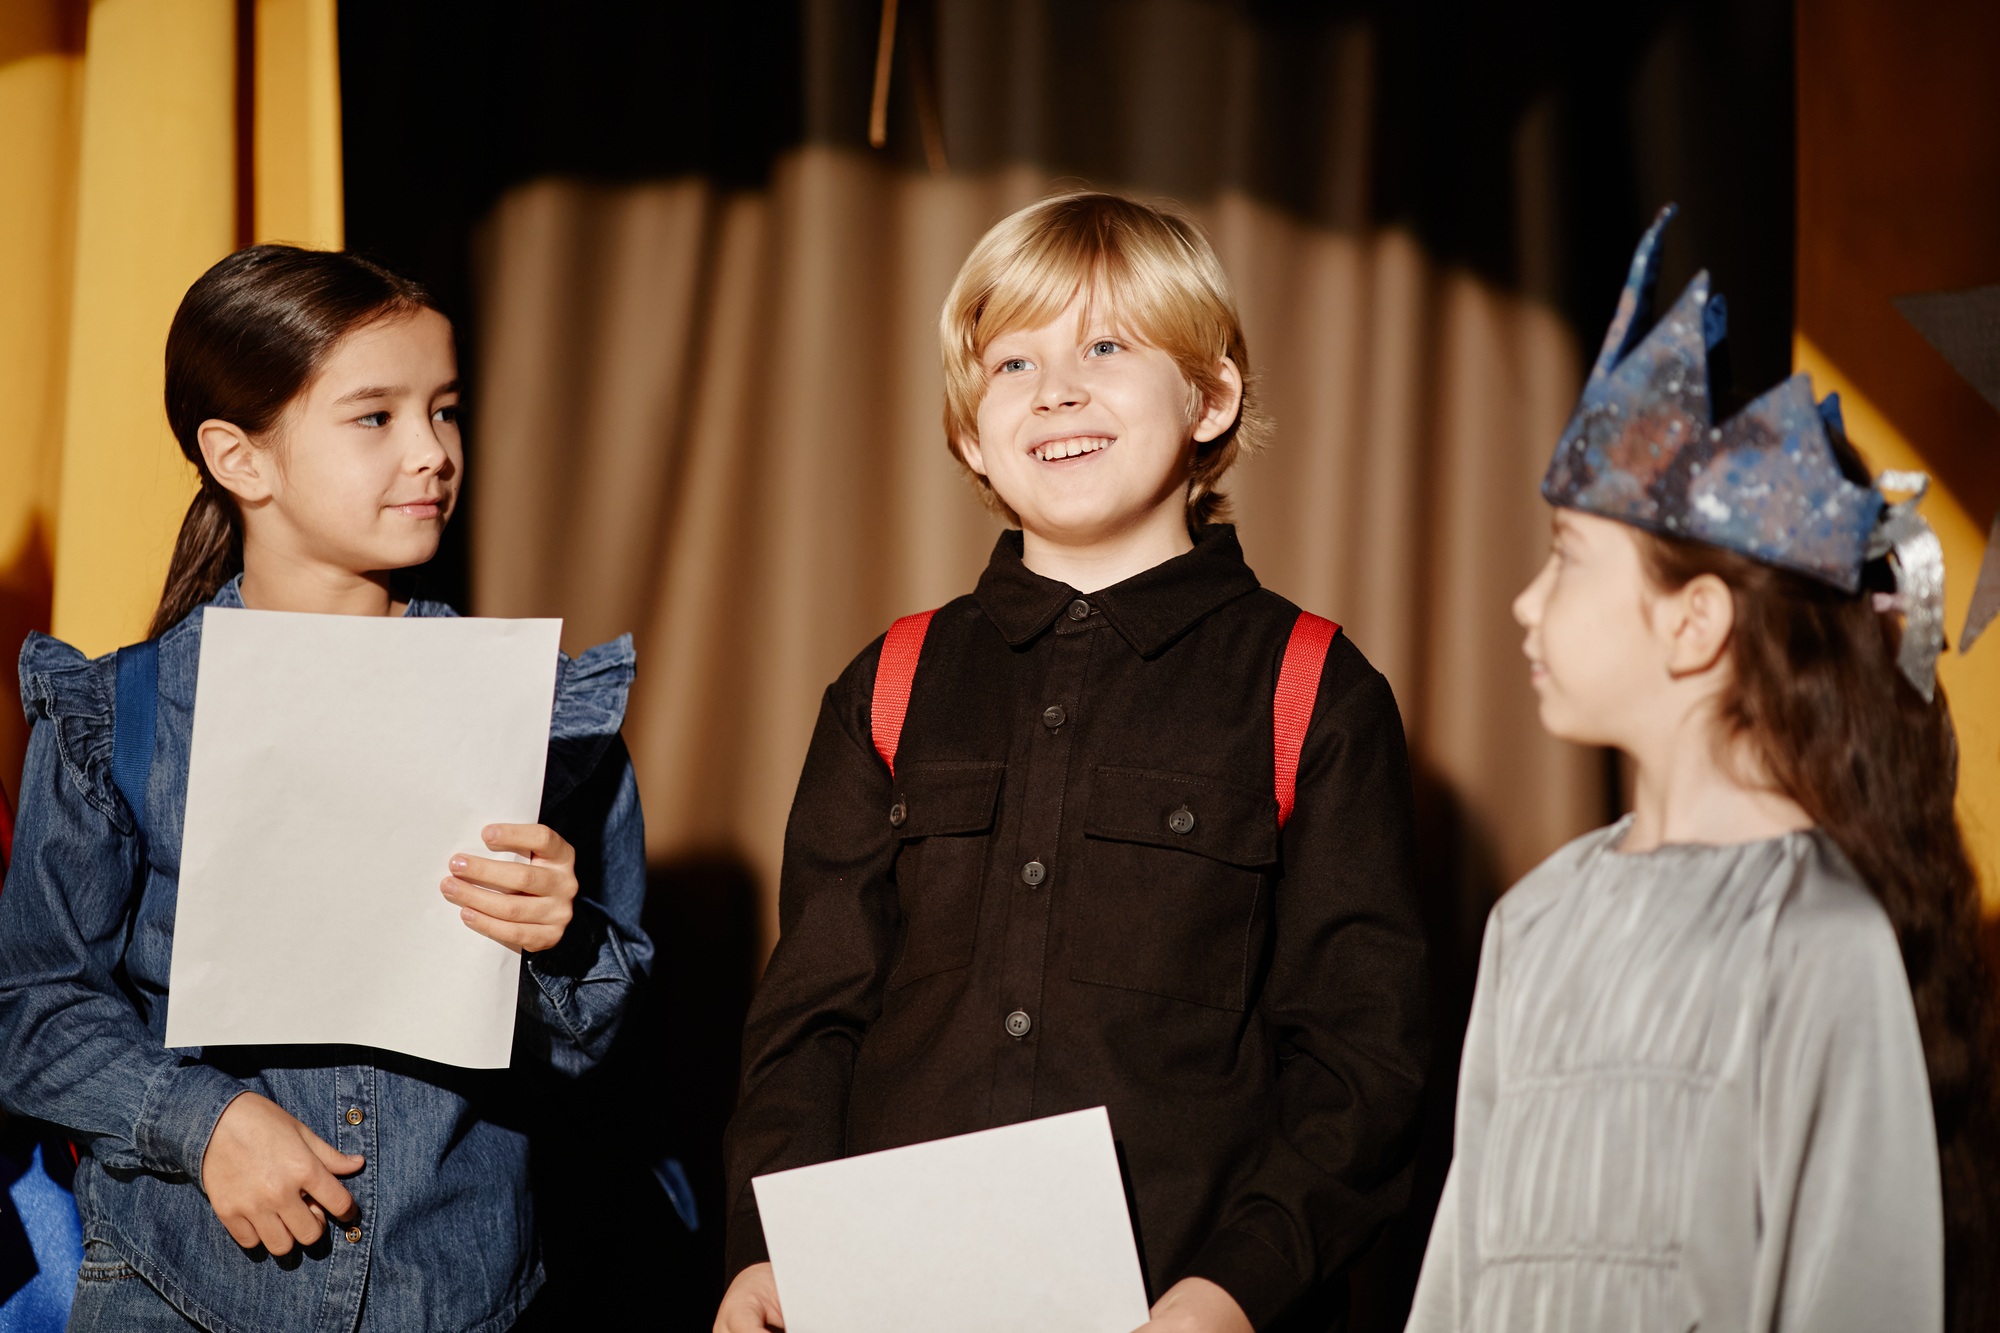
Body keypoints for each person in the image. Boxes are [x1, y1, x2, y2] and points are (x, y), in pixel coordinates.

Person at [714, 192, 1430, 1333]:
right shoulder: (886, 683)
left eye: (1105, 347)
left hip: (1180, 1308)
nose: (1055, 389)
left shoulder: (1314, 689)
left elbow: (1362, 1058)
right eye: (1012, 363)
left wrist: (1235, 1288)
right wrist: (768, 1247)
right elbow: (809, 1026)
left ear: (1210, 398)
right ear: (968, 433)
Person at [0, 246, 651, 1333]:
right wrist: (202, 1122)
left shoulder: (538, 713)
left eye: (445, 410)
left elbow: (592, 1046)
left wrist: (561, 942)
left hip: (463, 1301)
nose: (431, 451)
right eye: (375, 416)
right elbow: (33, 1010)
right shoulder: (117, 715)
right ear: (238, 456)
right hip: (177, 1295)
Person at [1406, 207, 1998, 1332]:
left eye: (1565, 559)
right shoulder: (1531, 923)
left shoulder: (1815, 940)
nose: (1525, 603)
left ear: (1694, 622)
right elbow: (1454, 1285)